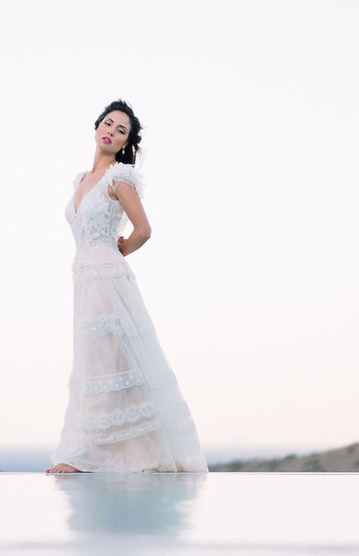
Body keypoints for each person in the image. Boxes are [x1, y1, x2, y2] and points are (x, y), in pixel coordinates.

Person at [47, 100, 208, 473]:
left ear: (125, 143)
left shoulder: (119, 178)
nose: (112, 131)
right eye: (108, 123)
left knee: (106, 358)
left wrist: (120, 250)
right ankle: (98, 448)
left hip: (105, 274)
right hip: (82, 275)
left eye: (121, 131)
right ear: (96, 127)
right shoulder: (80, 180)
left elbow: (144, 230)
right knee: (93, 360)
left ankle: (84, 455)